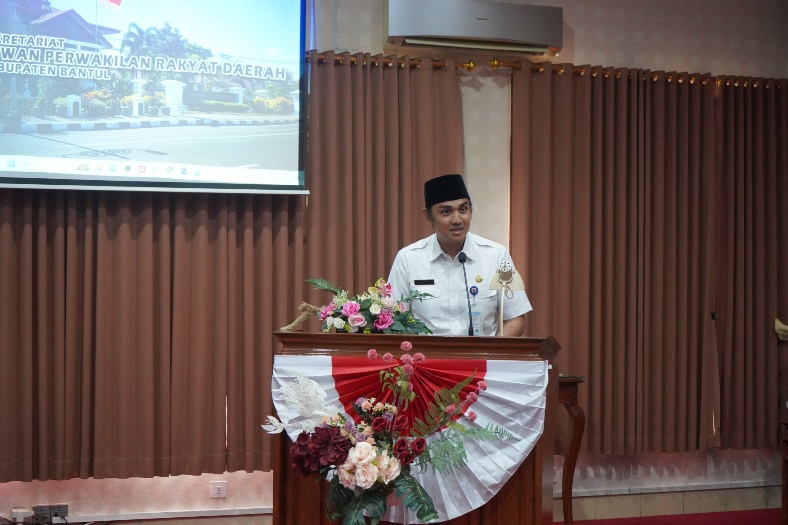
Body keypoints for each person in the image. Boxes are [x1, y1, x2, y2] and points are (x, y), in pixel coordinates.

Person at [387, 173, 532, 336]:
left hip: (482, 352)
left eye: (463, 209)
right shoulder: (408, 259)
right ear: (427, 216)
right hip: (426, 353)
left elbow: (515, 318)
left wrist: (493, 350)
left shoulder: (497, 255)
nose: (457, 220)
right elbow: (395, 321)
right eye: (446, 212)